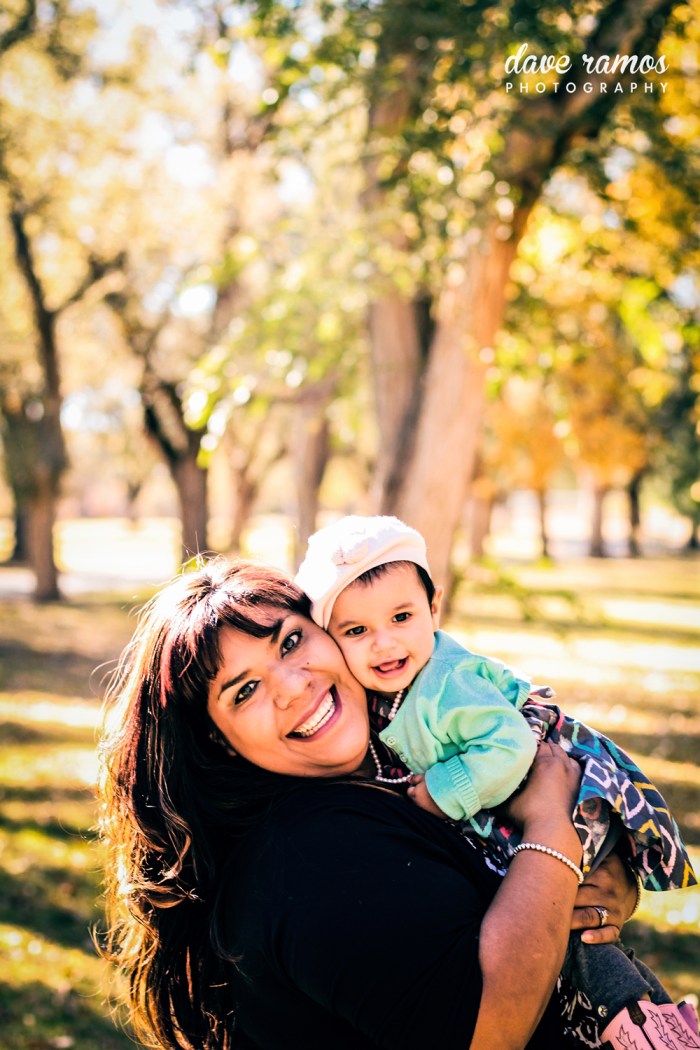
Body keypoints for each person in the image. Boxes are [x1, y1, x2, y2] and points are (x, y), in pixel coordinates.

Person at [99, 557, 643, 1050]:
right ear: (218, 741)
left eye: (291, 642)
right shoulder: (307, 855)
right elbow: (486, 1032)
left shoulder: (405, 754)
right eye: (244, 691)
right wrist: (553, 830)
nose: (291, 687)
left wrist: (595, 883)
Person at [295, 514, 699, 1049]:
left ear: (434, 607)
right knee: (570, 934)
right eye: (356, 631)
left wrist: (442, 793)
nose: (384, 644)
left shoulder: (446, 684)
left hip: (571, 794)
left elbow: (510, 748)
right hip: (520, 802)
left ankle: (645, 1030)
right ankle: (651, 1012)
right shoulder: (395, 690)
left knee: (573, 932)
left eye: (400, 617)